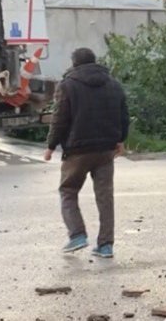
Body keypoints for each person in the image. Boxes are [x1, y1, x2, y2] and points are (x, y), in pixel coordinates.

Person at [44, 47, 129, 258]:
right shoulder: (113, 84)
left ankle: (77, 235)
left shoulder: (67, 85)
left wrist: (51, 145)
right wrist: (120, 140)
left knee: (68, 191)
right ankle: (106, 245)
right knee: (105, 197)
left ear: (74, 63)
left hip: (78, 151)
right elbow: (123, 115)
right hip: (105, 151)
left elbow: (60, 119)